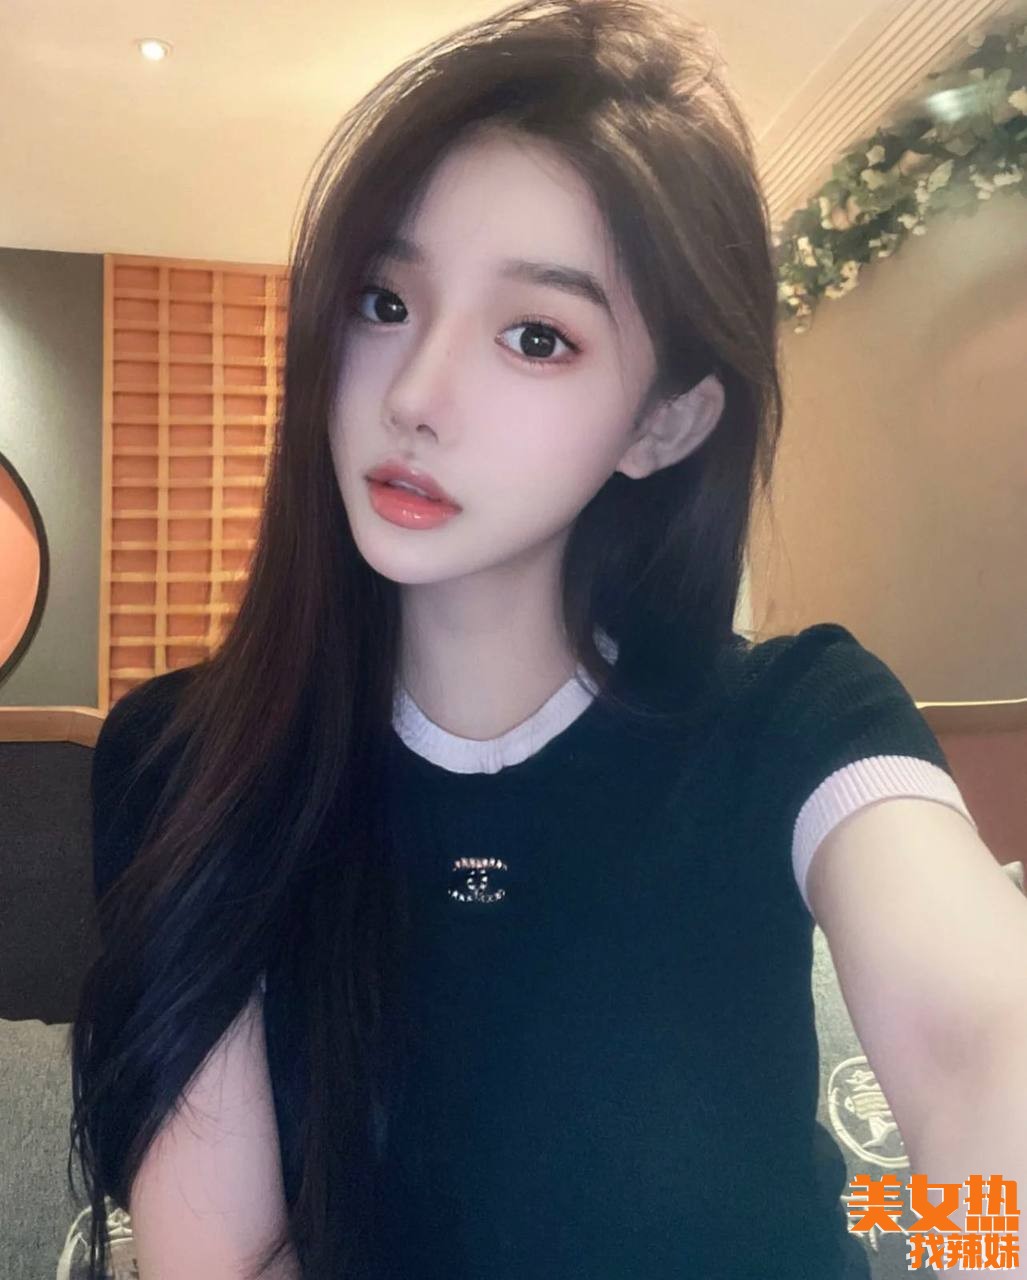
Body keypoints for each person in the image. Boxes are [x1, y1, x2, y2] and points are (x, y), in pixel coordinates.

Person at [71, 2, 1027, 1278]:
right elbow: (220, 1256)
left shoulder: (798, 723)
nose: (416, 395)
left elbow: (981, 1060)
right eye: (383, 300)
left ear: (663, 423)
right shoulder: (190, 757)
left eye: (536, 336)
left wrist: (969, 1247)